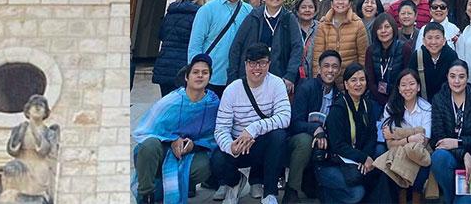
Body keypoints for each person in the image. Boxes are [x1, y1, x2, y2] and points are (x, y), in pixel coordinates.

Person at [132, 54, 219, 204]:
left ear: (209, 78)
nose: (200, 76)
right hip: (162, 149)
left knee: (204, 166)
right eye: (195, 72)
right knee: (148, 146)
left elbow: (212, 136)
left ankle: (171, 189)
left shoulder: (213, 103)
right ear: (187, 77)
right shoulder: (171, 101)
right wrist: (172, 141)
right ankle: (146, 194)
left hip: (189, 153)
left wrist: (193, 145)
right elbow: (145, 130)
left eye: (204, 73)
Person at [211, 43, 291, 204]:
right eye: (252, 63)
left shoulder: (276, 84)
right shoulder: (232, 90)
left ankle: (269, 192)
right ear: (246, 64)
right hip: (238, 143)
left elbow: (285, 117)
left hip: (261, 142)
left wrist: (253, 129)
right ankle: (234, 184)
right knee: (217, 160)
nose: (257, 68)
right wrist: (231, 146)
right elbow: (221, 129)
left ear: (269, 64)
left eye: (262, 63)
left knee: (279, 136)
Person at [316, 62, 391, 204]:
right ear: (346, 84)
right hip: (334, 162)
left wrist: (367, 156)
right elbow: (337, 145)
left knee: (381, 151)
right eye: (353, 80)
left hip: (356, 157)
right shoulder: (338, 108)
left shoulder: (367, 104)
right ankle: (326, 194)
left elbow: (372, 135)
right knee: (356, 193)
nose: (358, 84)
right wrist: (363, 158)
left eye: (362, 80)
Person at [285, 49, 342, 204]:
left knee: (315, 193)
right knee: (304, 140)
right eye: (326, 66)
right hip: (298, 141)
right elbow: (295, 122)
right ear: (319, 68)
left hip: (323, 147)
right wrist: (316, 130)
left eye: (335, 66)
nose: (330, 70)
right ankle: (291, 191)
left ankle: (314, 179)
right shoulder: (307, 87)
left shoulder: (339, 96)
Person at [429, 60, 471, 204]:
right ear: (447, 77)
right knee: (439, 156)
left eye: (461, 77)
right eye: (452, 76)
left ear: (467, 78)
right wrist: (463, 154)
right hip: (451, 158)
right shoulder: (439, 99)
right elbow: (438, 139)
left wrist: (458, 142)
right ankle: (449, 198)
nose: (457, 81)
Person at [227, 0, 303, 94]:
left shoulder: (289, 18)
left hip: (278, 77)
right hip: (251, 75)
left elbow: (297, 47)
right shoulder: (253, 16)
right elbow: (237, 45)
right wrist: (233, 76)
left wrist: (290, 75)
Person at [188, 0, 252, 98]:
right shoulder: (207, 9)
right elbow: (195, 44)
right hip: (211, 77)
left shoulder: (248, 11)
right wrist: (195, 74)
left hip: (237, 77)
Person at [378, 69, 434, 203]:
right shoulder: (390, 107)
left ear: (419, 87)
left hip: (418, 154)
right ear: (398, 88)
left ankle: (416, 198)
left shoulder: (426, 108)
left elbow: (422, 142)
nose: (407, 88)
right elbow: (390, 144)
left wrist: (397, 135)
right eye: (403, 85)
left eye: (412, 84)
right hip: (397, 154)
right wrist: (410, 138)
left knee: (419, 168)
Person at [153, 0, 204, 97]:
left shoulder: (171, 12)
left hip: (165, 62)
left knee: (166, 100)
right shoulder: (199, 15)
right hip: (183, 63)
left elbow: (161, 34)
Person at [313, 0, 370, 81]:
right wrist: (316, 77)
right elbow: (317, 55)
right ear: (332, 3)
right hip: (328, 77)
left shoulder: (358, 24)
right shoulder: (323, 25)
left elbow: (363, 56)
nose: (340, 2)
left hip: (350, 79)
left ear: (349, 3)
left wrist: (360, 78)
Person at [365, 12, 414, 105]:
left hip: (400, 98)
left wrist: (393, 100)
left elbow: (408, 78)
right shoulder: (371, 50)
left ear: (393, 29)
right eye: (379, 28)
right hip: (376, 99)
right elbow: (370, 81)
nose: (383, 31)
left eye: (387, 27)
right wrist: (383, 101)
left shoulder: (405, 49)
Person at [408, 21, 459, 100]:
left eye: (437, 37)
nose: (433, 42)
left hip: (446, 103)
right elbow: (410, 81)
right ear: (424, 41)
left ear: (444, 40)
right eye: (429, 38)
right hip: (422, 104)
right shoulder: (417, 56)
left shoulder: (452, 56)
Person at [295, 0, 320, 84]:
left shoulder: (321, 28)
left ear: (315, 10)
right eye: (303, 7)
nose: (307, 10)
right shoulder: (291, 27)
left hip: (314, 76)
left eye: (310, 7)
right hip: (294, 76)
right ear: (297, 10)